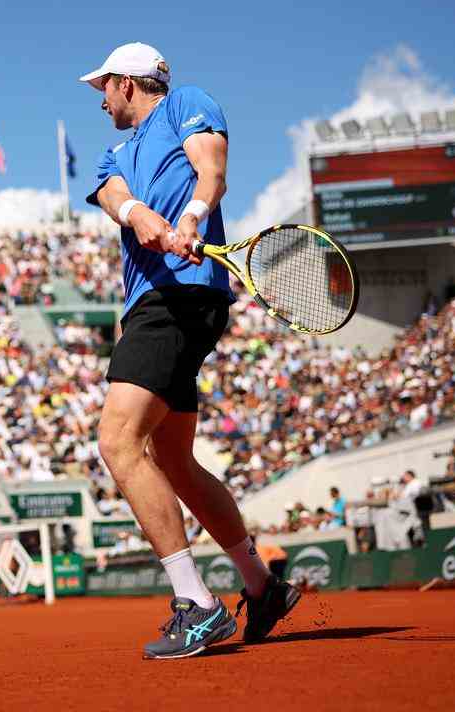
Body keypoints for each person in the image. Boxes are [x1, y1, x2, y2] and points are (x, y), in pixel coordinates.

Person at [80, 41, 296, 659]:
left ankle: (197, 605)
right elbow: (115, 198)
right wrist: (143, 214)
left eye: (104, 88)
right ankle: (262, 587)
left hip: (179, 300)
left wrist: (195, 217)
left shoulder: (186, 106)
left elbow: (212, 171)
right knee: (172, 458)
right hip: (152, 306)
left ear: (128, 83)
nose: (101, 100)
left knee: (118, 441)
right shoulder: (113, 154)